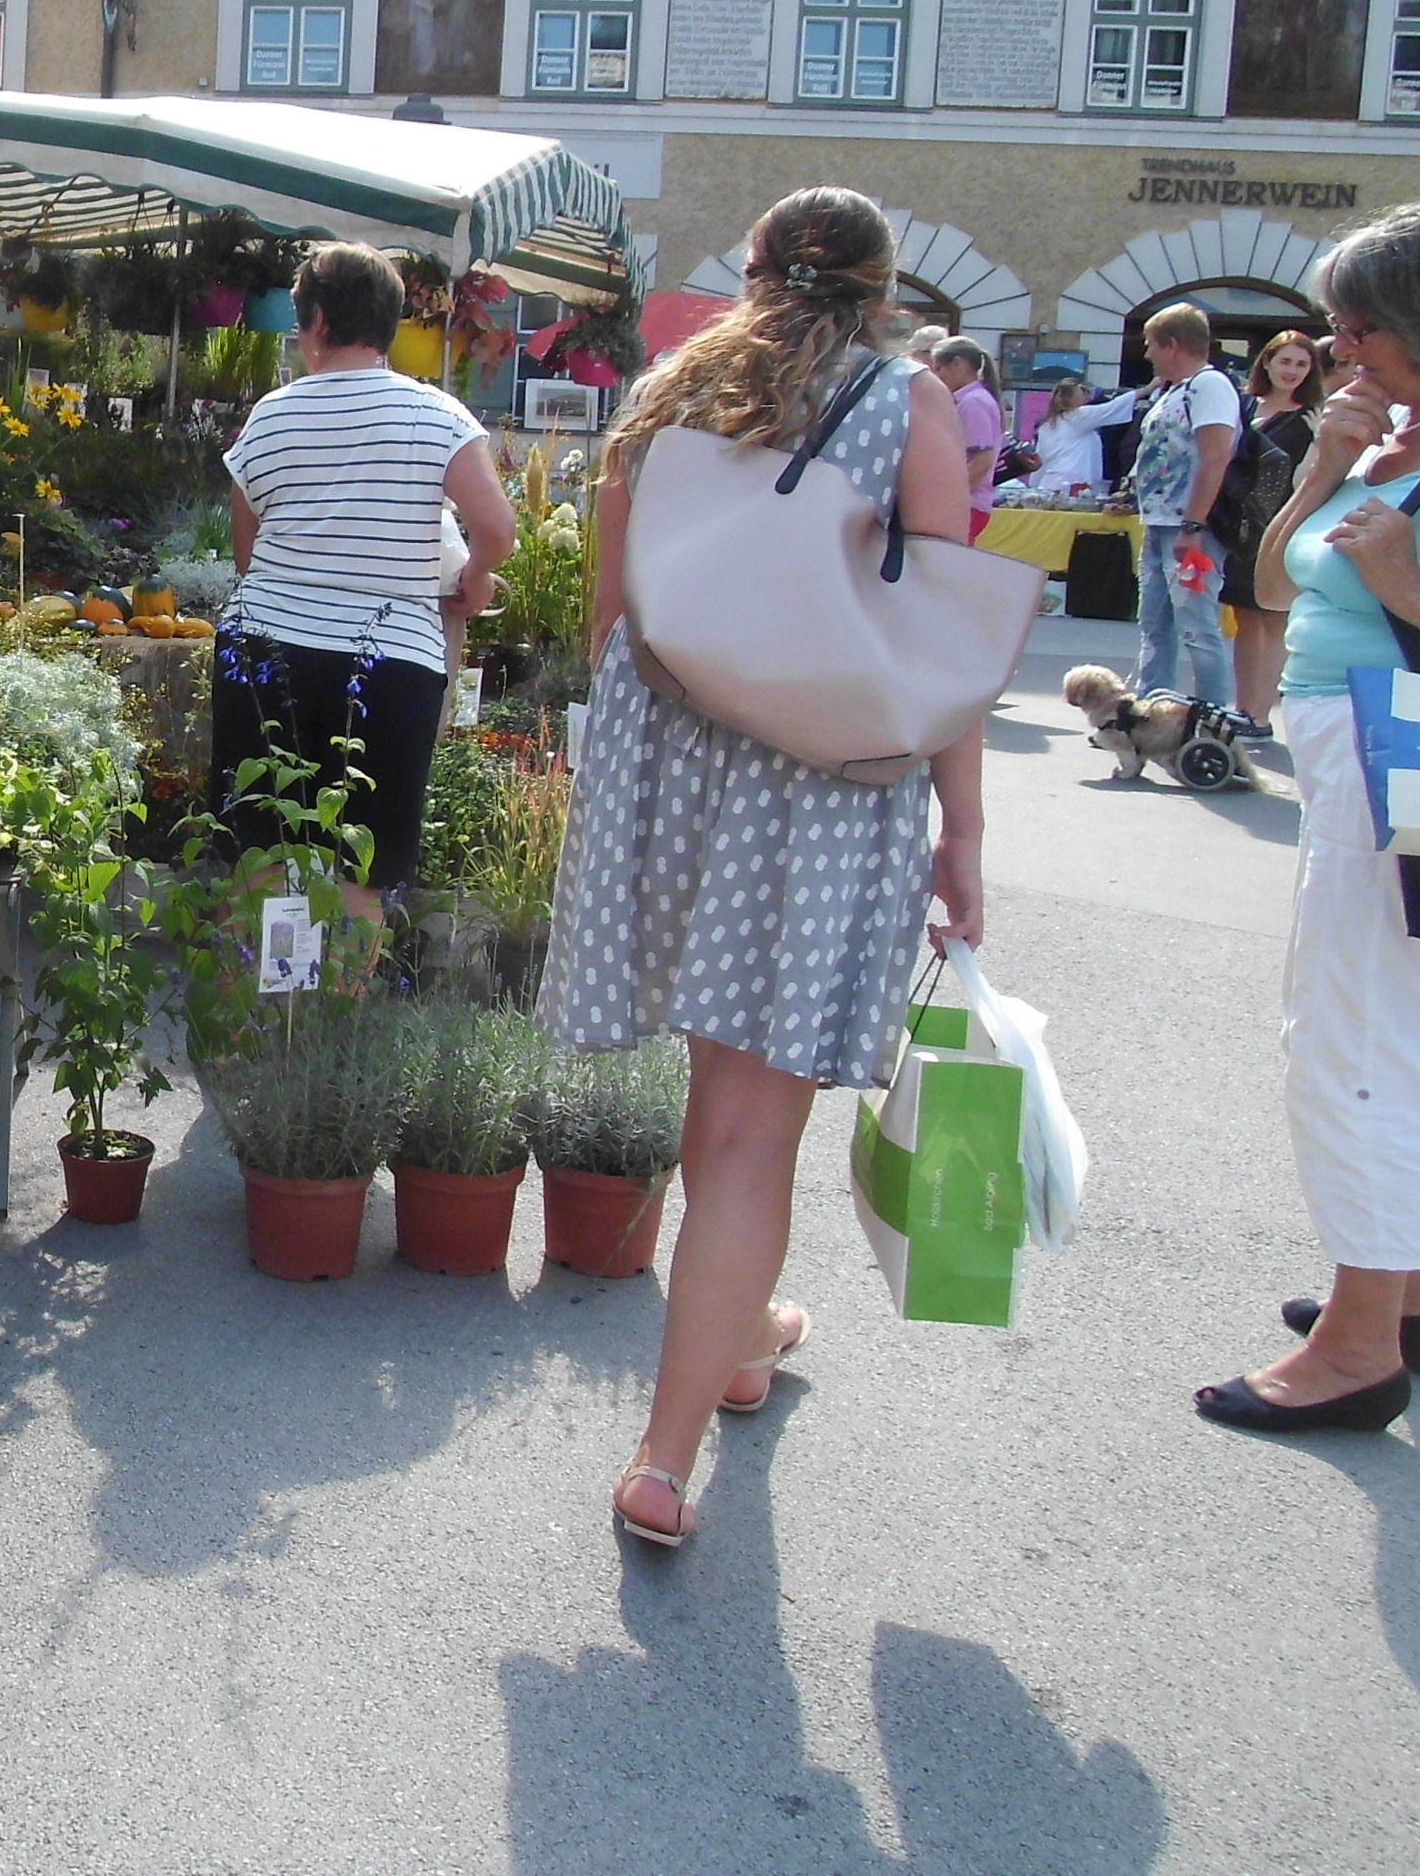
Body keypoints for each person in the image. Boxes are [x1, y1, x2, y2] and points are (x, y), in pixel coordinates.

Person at [537, 187, 983, 1548]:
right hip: (822, 784)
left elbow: (612, 613)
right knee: (748, 1132)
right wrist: (965, 836)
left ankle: (737, 1341)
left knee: (712, 1107)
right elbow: (945, 648)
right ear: (885, 285)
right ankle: (666, 1459)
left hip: (672, 767)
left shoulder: (670, 393)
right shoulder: (912, 406)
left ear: (753, 272)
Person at [1204, 209, 1420, 1434]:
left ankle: (1357, 1343)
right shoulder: (1387, 437)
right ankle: (1393, 1294)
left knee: (1353, 1044)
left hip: (1394, 753)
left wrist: (1401, 582)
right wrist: (1324, 473)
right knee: (1384, 1028)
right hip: (1363, 747)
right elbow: (1275, 586)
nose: (1338, 345)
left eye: (1363, 324)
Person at [214, 241, 518, 897]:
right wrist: (478, 575)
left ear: (317, 322)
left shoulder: (269, 415)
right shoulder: (437, 416)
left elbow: (247, 552)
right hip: (389, 661)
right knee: (364, 867)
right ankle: (335, 999)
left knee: (258, 855)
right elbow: (496, 530)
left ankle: (255, 996)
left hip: (266, 648)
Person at [1119, 304, 1244, 713]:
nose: (1147, 354)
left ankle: (1212, 716)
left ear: (1173, 345)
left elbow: (1215, 457)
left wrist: (1194, 524)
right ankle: (1149, 710)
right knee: (1154, 625)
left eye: (1152, 345)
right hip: (1159, 522)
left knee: (1197, 627)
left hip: (1189, 527)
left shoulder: (1209, 386)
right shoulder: (1173, 390)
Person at [1229, 330, 1328, 733]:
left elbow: (1310, 479)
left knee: (1272, 620)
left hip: (1282, 525)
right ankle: (1242, 708)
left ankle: (1261, 714)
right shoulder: (1245, 406)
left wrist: (1322, 440)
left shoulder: (1309, 418)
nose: (1292, 371)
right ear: (1266, 362)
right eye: (1285, 361)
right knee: (1244, 620)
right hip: (1238, 527)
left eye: (1301, 364)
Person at [932, 339, 1005, 539]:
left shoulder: (973, 402)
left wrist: (950, 499)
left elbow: (982, 459)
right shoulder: (974, 399)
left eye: (939, 368)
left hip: (967, 505)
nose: (936, 376)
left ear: (958, 364)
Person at [1026, 374, 1123, 495]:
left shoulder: (1046, 426)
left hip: (1048, 483)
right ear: (1071, 399)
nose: (1088, 399)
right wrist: (1145, 390)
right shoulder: (1078, 417)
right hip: (1072, 484)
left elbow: (1040, 459)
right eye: (1083, 394)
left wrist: (1033, 486)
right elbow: (1112, 408)